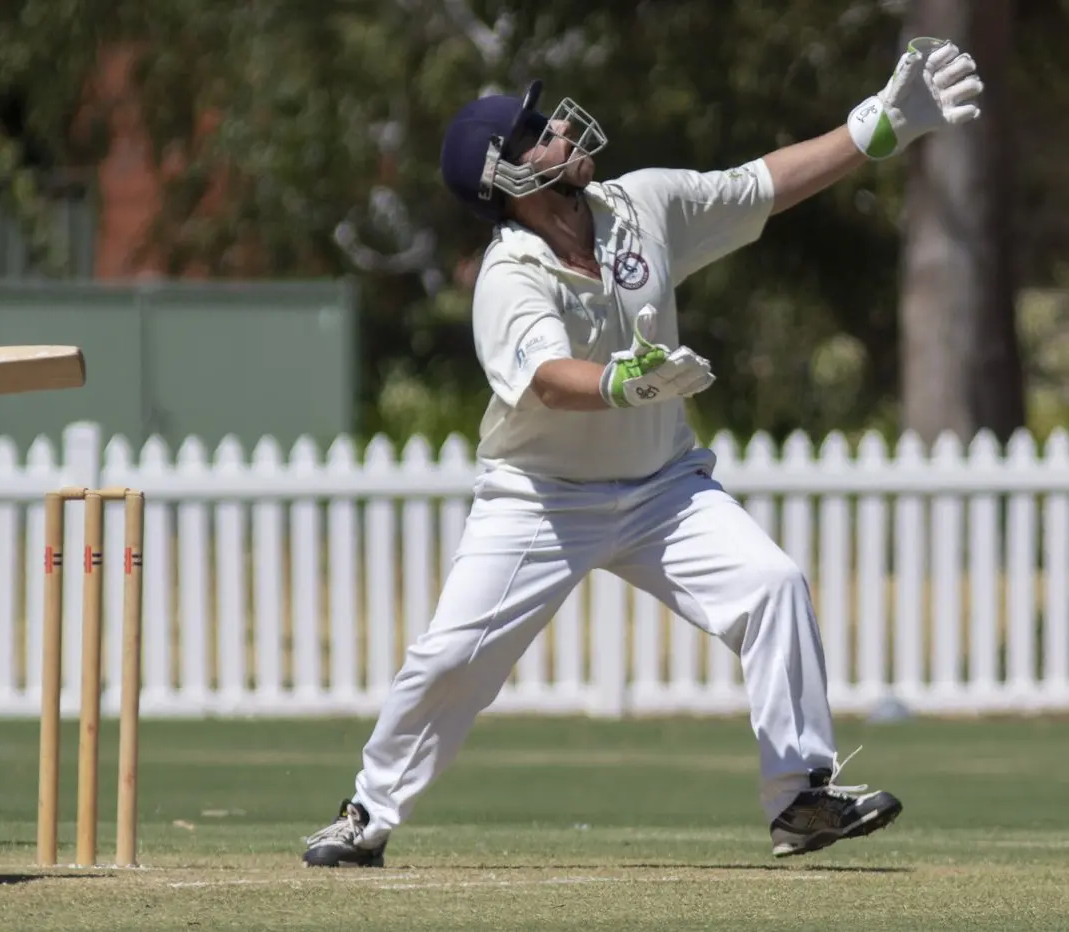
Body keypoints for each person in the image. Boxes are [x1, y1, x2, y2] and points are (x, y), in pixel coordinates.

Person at [302, 38, 984, 868]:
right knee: (452, 655)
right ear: (508, 178)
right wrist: (622, 383)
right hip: (542, 498)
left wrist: (876, 128)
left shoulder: (641, 207)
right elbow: (548, 379)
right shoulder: (510, 274)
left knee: (772, 585)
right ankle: (367, 814)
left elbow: (760, 186)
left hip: (663, 486)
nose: (560, 130)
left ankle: (800, 799)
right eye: (538, 134)